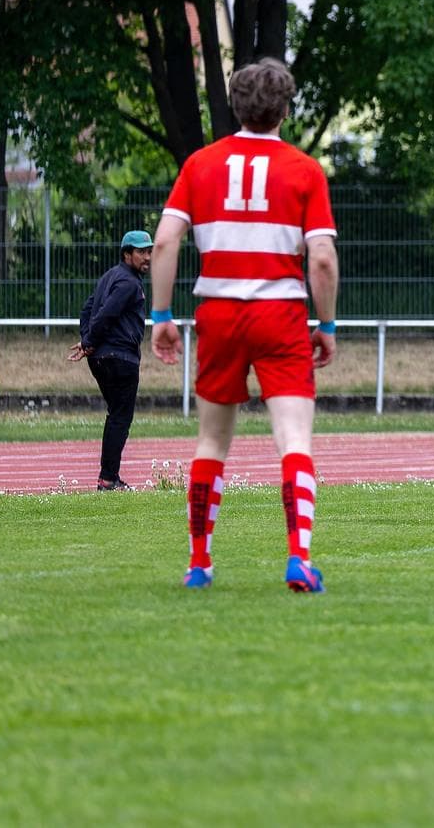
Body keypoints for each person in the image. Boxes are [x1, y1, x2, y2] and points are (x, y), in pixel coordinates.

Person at [148, 58, 339, 592]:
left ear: (235, 104)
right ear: (285, 107)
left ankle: (199, 564)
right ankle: (299, 557)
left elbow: (164, 241)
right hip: (279, 313)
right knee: (294, 437)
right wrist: (327, 324)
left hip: (219, 313)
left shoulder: (201, 164)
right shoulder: (304, 170)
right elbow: (321, 258)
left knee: (212, 441)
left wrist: (161, 316)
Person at [68, 229, 154, 490]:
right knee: (120, 417)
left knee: (115, 414)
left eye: (149, 251)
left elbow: (87, 309)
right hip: (120, 357)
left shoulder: (109, 277)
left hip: (102, 358)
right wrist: (89, 342)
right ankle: (108, 479)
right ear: (127, 254)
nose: (147, 257)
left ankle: (108, 476)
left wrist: (88, 342)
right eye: (141, 252)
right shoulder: (129, 283)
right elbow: (106, 314)